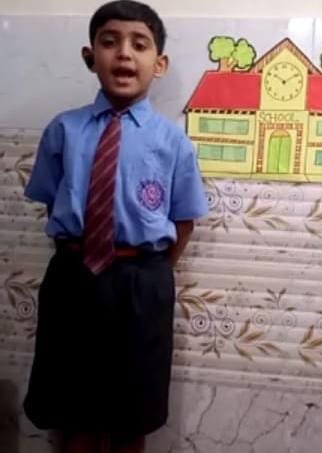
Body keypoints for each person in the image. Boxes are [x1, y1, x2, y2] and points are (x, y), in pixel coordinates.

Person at [23, 1, 208, 452]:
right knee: (72, 408)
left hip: (142, 283)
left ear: (159, 64)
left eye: (139, 44)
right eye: (110, 42)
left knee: (132, 413)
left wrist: (150, 271)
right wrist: (81, 253)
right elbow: (51, 203)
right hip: (73, 279)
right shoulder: (63, 130)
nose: (124, 53)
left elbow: (183, 220)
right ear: (91, 57)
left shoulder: (174, 142)